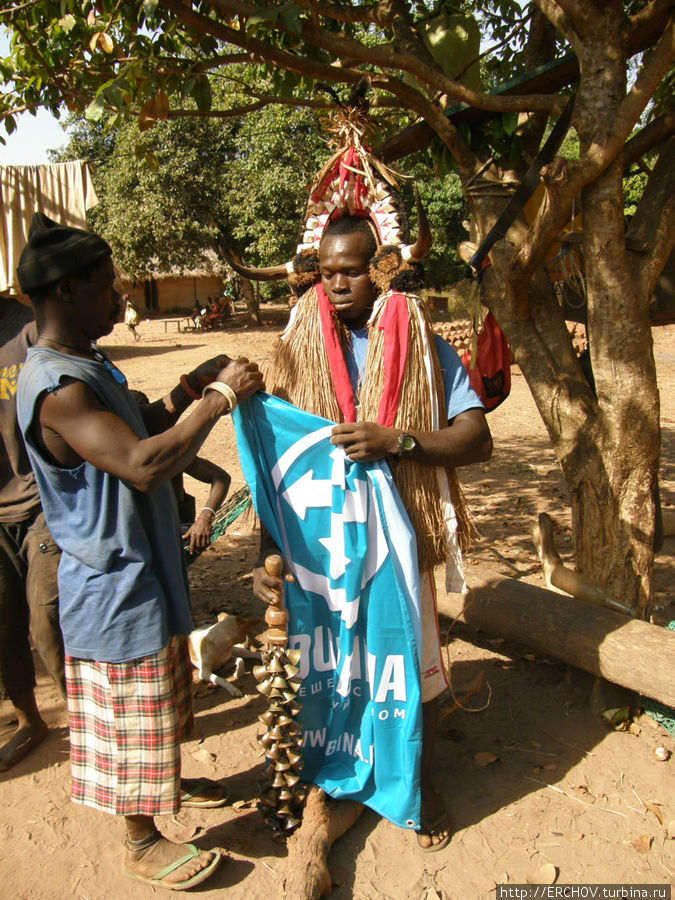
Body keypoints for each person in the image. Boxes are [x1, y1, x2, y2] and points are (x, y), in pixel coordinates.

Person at [243, 100, 492, 853]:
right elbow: (277, 467)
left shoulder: (422, 345)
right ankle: (334, 781)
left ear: (378, 271)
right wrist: (266, 552)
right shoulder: (293, 350)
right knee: (334, 672)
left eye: (352, 272)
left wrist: (399, 441)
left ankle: (409, 781)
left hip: (396, 543)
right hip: (321, 555)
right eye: (325, 272)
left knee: (401, 669)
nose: (338, 285)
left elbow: (474, 441)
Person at [15, 212, 264, 890]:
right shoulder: (57, 386)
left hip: (142, 569)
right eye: (108, 285)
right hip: (111, 583)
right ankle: (139, 839)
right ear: (65, 290)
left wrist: (190, 385)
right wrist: (217, 399)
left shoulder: (88, 366)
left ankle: (164, 788)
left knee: (155, 699)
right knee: (130, 715)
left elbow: (142, 423)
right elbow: (141, 461)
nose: (122, 297)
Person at [0, 297, 66, 772]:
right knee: (3, 620)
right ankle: (30, 719)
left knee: (47, 619)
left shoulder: (26, 329)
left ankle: (86, 718)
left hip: (39, 501)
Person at [130, 389, 231, 554]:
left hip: (173, 530)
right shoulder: (116, 454)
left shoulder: (166, 451)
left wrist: (205, 517)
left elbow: (220, 477)